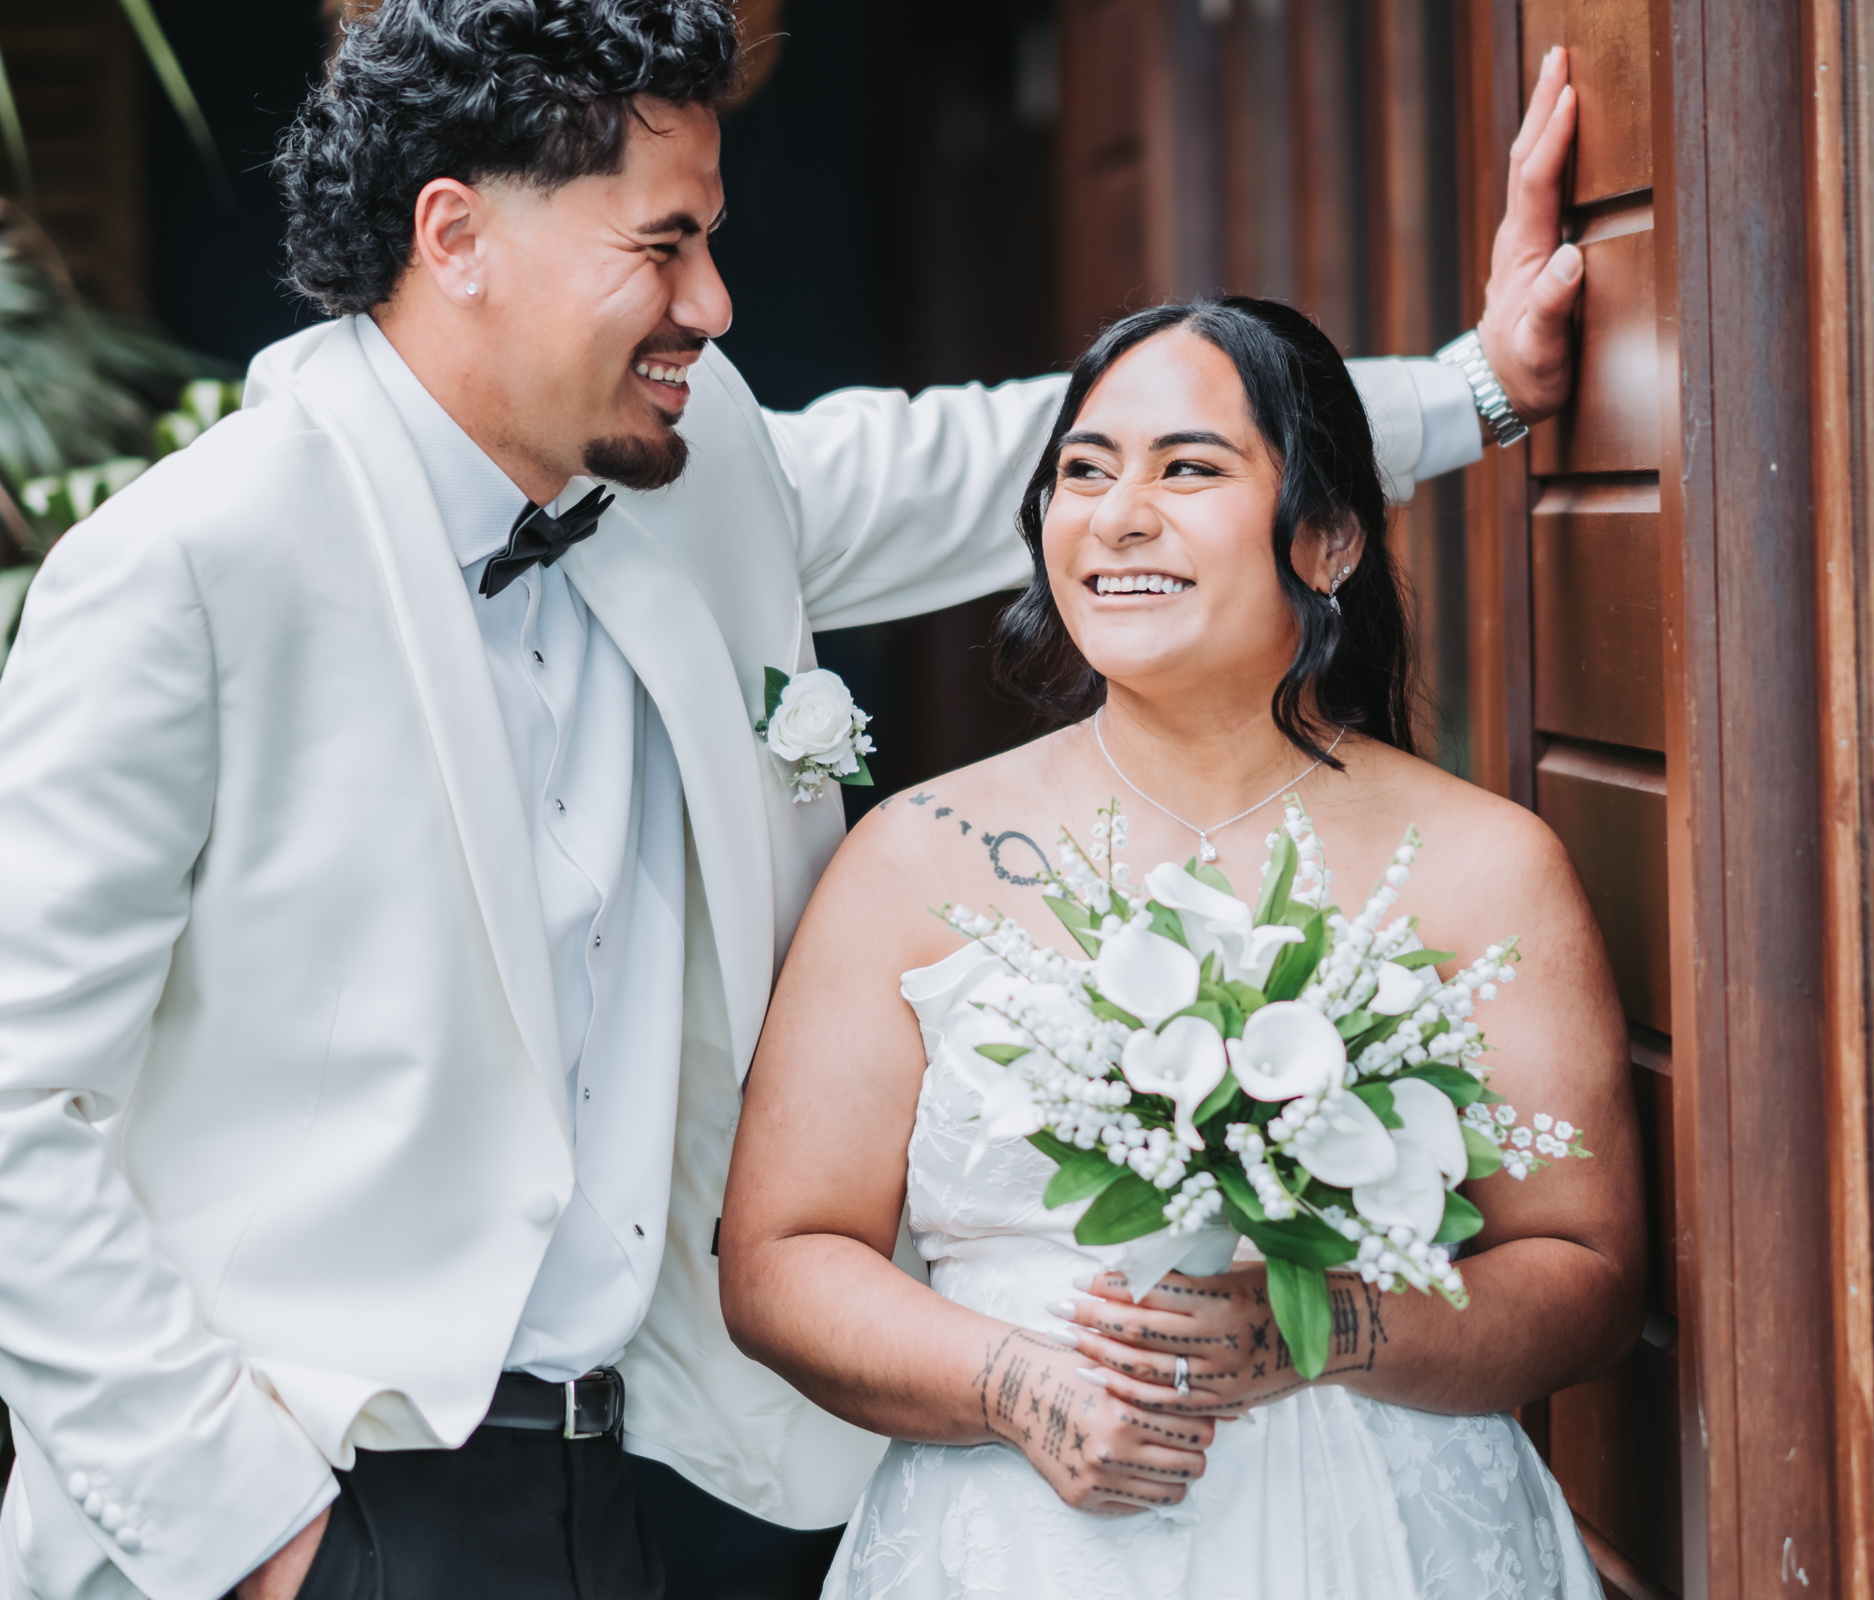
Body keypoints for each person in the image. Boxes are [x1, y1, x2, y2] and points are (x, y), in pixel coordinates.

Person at [0, 2, 1589, 1596]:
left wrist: (1481, 387)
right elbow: (17, 1107)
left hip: (600, 1485)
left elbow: (1036, 460)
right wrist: (260, 1541)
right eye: (664, 244)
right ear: (457, 236)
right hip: (296, 1492)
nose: (712, 302)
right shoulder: (188, 570)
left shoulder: (684, 477)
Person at [718, 295, 1645, 1598]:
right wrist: (1015, 1388)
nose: (1118, 516)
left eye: (1189, 469)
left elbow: (1586, 1273)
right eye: (1084, 472)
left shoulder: (1483, 864)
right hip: (1019, 1541)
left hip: (1385, 1538)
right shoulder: (918, 856)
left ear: (1328, 538)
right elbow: (780, 1259)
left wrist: (1332, 1329)